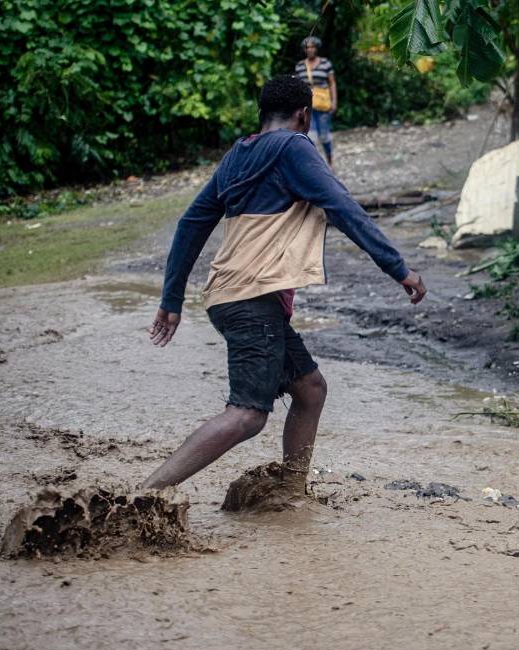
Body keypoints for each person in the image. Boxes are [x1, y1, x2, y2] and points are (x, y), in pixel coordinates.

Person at [141, 74, 425, 494]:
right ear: (304, 115)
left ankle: (291, 495)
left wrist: (172, 297)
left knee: (310, 390)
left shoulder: (238, 154)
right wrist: (398, 267)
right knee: (247, 414)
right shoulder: (295, 148)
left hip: (232, 296)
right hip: (252, 298)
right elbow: (342, 206)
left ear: (262, 114)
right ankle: (141, 497)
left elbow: (191, 223)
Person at [294, 36, 337, 165]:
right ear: (304, 49)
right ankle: (315, 165)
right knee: (310, 137)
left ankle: (330, 161)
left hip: (323, 105)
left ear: (317, 48)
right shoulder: (300, 66)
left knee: (324, 136)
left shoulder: (325, 63)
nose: (310, 49)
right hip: (307, 107)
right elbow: (297, 86)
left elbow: (332, 83)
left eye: (312, 47)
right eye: (307, 47)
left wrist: (334, 102)